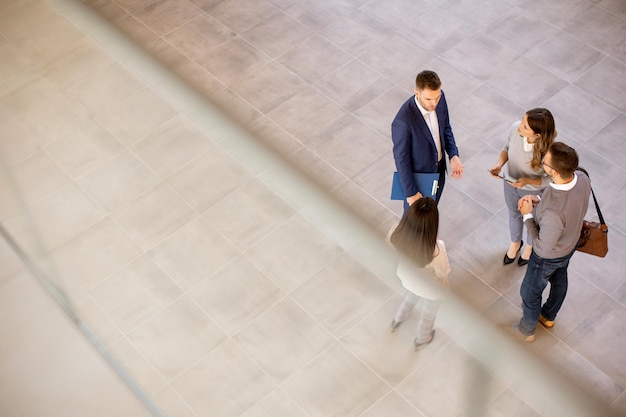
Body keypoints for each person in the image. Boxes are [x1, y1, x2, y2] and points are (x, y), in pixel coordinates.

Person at [510, 142, 591, 342]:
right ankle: (548, 316)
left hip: (548, 256)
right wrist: (539, 199)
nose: (542, 161)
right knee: (559, 279)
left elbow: (541, 247)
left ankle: (526, 331)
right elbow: (560, 195)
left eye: (545, 161)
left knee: (529, 293)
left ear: (554, 172)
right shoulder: (582, 177)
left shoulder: (554, 213)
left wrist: (527, 216)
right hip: (569, 244)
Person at [489, 108, 557, 266]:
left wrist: (527, 181)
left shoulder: (549, 152)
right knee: (513, 213)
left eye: (525, 127)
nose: (520, 126)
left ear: (537, 135)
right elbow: (506, 148)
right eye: (522, 121)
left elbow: (552, 179)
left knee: (531, 220)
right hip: (509, 184)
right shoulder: (515, 128)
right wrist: (499, 165)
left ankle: (529, 247)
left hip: (532, 192)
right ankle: (515, 243)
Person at [391, 70, 463, 210]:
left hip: (439, 171)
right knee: (413, 223)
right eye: (429, 99)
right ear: (416, 93)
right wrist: (411, 193)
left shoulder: (440, 99)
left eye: (437, 97)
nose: (434, 103)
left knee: (431, 212)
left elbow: (446, 127)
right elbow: (401, 159)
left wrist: (453, 154)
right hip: (419, 179)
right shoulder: (403, 121)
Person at [388, 197, 450, 350]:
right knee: (428, 313)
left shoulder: (396, 234)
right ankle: (422, 339)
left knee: (410, 296)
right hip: (431, 290)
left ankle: (398, 319)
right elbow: (443, 272)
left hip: (407, 279)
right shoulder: (437, 252)